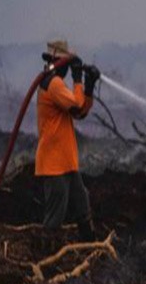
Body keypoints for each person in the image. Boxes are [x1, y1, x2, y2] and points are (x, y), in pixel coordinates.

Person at [36, 38, 101, 240]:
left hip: (65, 161)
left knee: (82, 203)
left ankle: (91, 246)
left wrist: (88, 86)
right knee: (56, 214)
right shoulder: (53, 84)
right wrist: (79, 80)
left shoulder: (56, 84)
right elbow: (76, 105)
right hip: (54, 163)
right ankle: (45, 256)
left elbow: (79, 112)